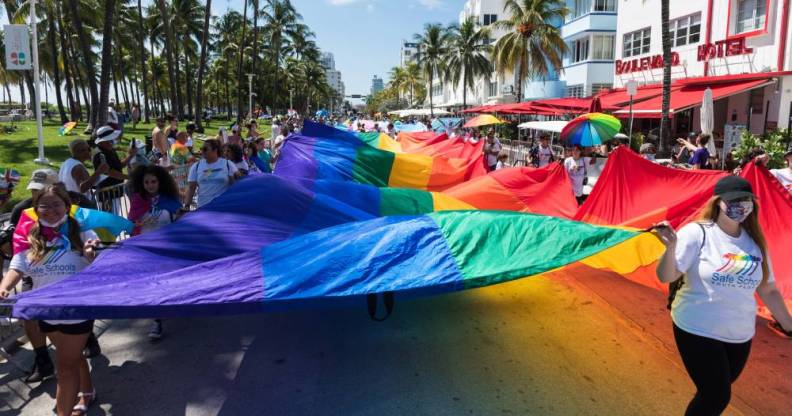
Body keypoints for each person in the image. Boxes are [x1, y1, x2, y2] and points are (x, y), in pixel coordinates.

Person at [654, 176, 792, 416]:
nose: (742, 205)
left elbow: (767, 289)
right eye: (735, 200)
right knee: (716, 396)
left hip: (739, 336)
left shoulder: (756, 243)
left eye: (747, 200)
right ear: (719, 202)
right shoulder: (698, 233)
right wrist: (670, 248)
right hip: (697, 329)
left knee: (712, 394)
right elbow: (667, 275)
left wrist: (790, 326)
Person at [0, 185, 103, 416]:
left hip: (76, 308)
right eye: (44, 205)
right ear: (36, 209)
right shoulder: (30, 234)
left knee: (65, 368)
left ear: (67, 206)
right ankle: (88, 392)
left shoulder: (82, 231)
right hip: (46, 310)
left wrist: (91, 252)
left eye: (57, 204)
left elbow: (96, 255)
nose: (51, 210)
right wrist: (4, 286)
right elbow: (17, 266)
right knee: (73, 358)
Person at [127, 165, 181, 340]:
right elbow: (131, 222)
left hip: (167, 249)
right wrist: (137, 223)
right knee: (152, 284)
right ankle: (156, 321)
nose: (150, 185)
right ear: (141, 183)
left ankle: (168, 304)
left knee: (166, 282)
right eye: (147, 182)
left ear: (160, 182)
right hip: (145, 249)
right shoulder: (137, 200)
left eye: (153, 181)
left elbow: (179, 220)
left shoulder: (170, 200)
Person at [183, 139, 238, 210]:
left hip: (223, 207)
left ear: (215, 150)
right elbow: (191, 188)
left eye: (205, 149)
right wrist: (187, 206)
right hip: (203, 207)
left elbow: (235, 186)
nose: (202, 151)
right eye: (201, 149)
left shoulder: (228, 164)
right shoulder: (196, 166)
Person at [92, 126, 136, 212]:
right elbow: (110, 172)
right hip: (106, 193)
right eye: (110, 140)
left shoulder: (110, 150)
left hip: (115, 191)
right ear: (102, 142)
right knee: (108, 218)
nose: (112, 142)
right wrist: (129, 177)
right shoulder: (99, 154)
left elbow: (119, 166)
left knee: (115, 215)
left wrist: (131, 155)